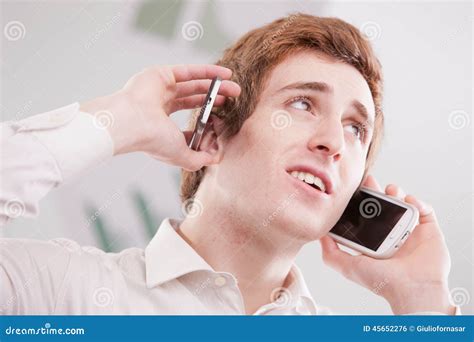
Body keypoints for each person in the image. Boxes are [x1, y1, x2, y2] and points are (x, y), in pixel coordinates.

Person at [0, 13, 459, 315]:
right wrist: (116, 121)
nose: (334, 142)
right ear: (214, 131)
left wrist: (422, 302)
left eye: (356, 128)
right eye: (302, 104)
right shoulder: (54, 292)